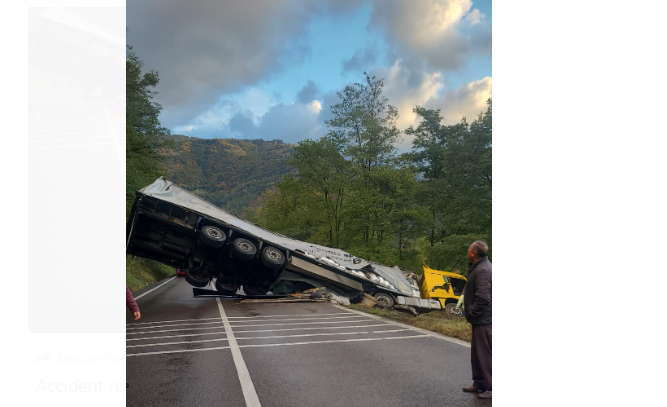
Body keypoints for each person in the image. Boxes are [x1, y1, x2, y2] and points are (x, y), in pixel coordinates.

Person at [462, 240, 492, 399]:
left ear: (474, 253)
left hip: (484, 320)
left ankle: (491, 387)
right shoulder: (479, 267)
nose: (467, 251)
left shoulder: (483, 270)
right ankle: (479, 382)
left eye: (468, 249)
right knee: (477, 353)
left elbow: (483, 298)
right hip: (480, 320)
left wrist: (472, 313)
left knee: (486, 354)